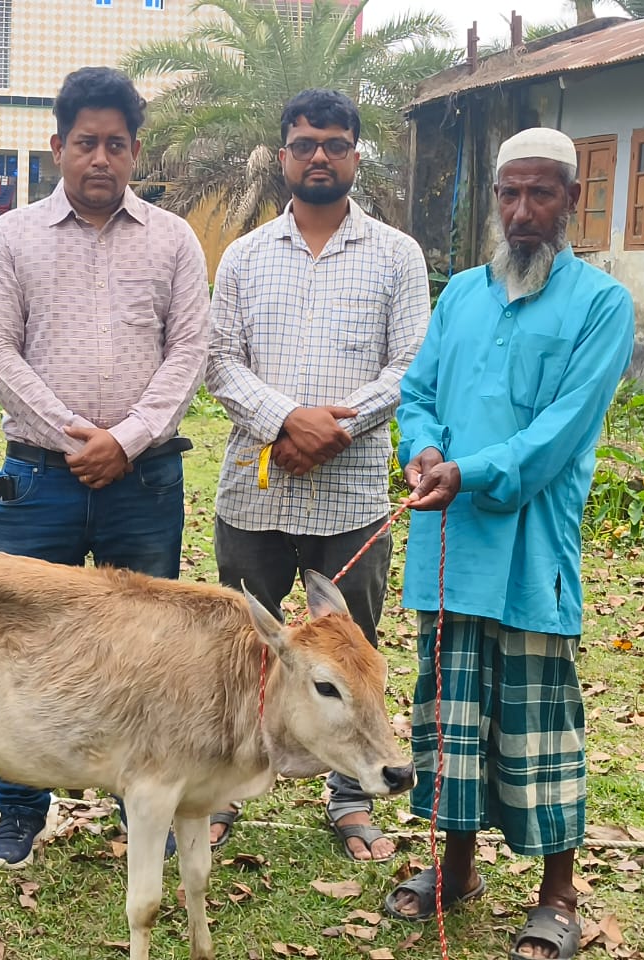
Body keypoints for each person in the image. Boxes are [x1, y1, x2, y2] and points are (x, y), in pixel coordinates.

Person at [383, 128, 635, 960]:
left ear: (571, 199)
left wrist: (465, 468)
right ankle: (455, 871)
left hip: (531, 552)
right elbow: (416, 392)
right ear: (494, 199)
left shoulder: (602, 305)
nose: (522, 213)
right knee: (450, 722)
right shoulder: (458, 295)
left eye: (541, 195)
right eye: (509, 195)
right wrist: (420, 451)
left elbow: (558, 436)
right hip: (450, 544)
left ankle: (558, 893)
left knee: (538, 727)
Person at [0, 66, 210, 869]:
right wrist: (76, 436)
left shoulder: (174, 239)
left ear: (135, 151)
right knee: (22, 640)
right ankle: (18, 812)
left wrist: (130, 437)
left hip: (143, 481)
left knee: (149, 649)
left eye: (115, 144)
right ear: (56, 147)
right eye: (84, 143)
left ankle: (142, 805)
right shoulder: (11, 237)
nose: (99, 158)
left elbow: (190, 352)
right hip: (39, 477)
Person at [204, 88, 430, 860]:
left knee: (353, 646)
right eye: (305, 144)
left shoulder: (398, 255)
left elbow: (411, 365)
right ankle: (228, 785)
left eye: (335, 143)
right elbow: (219, 361)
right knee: (244, 648)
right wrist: (283, 421)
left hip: (352, 489)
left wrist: (334, 427)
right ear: (283, 157)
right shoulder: (243, 254)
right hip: (255, 488)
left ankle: (352, 793)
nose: (320, 156)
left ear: (356, 154)